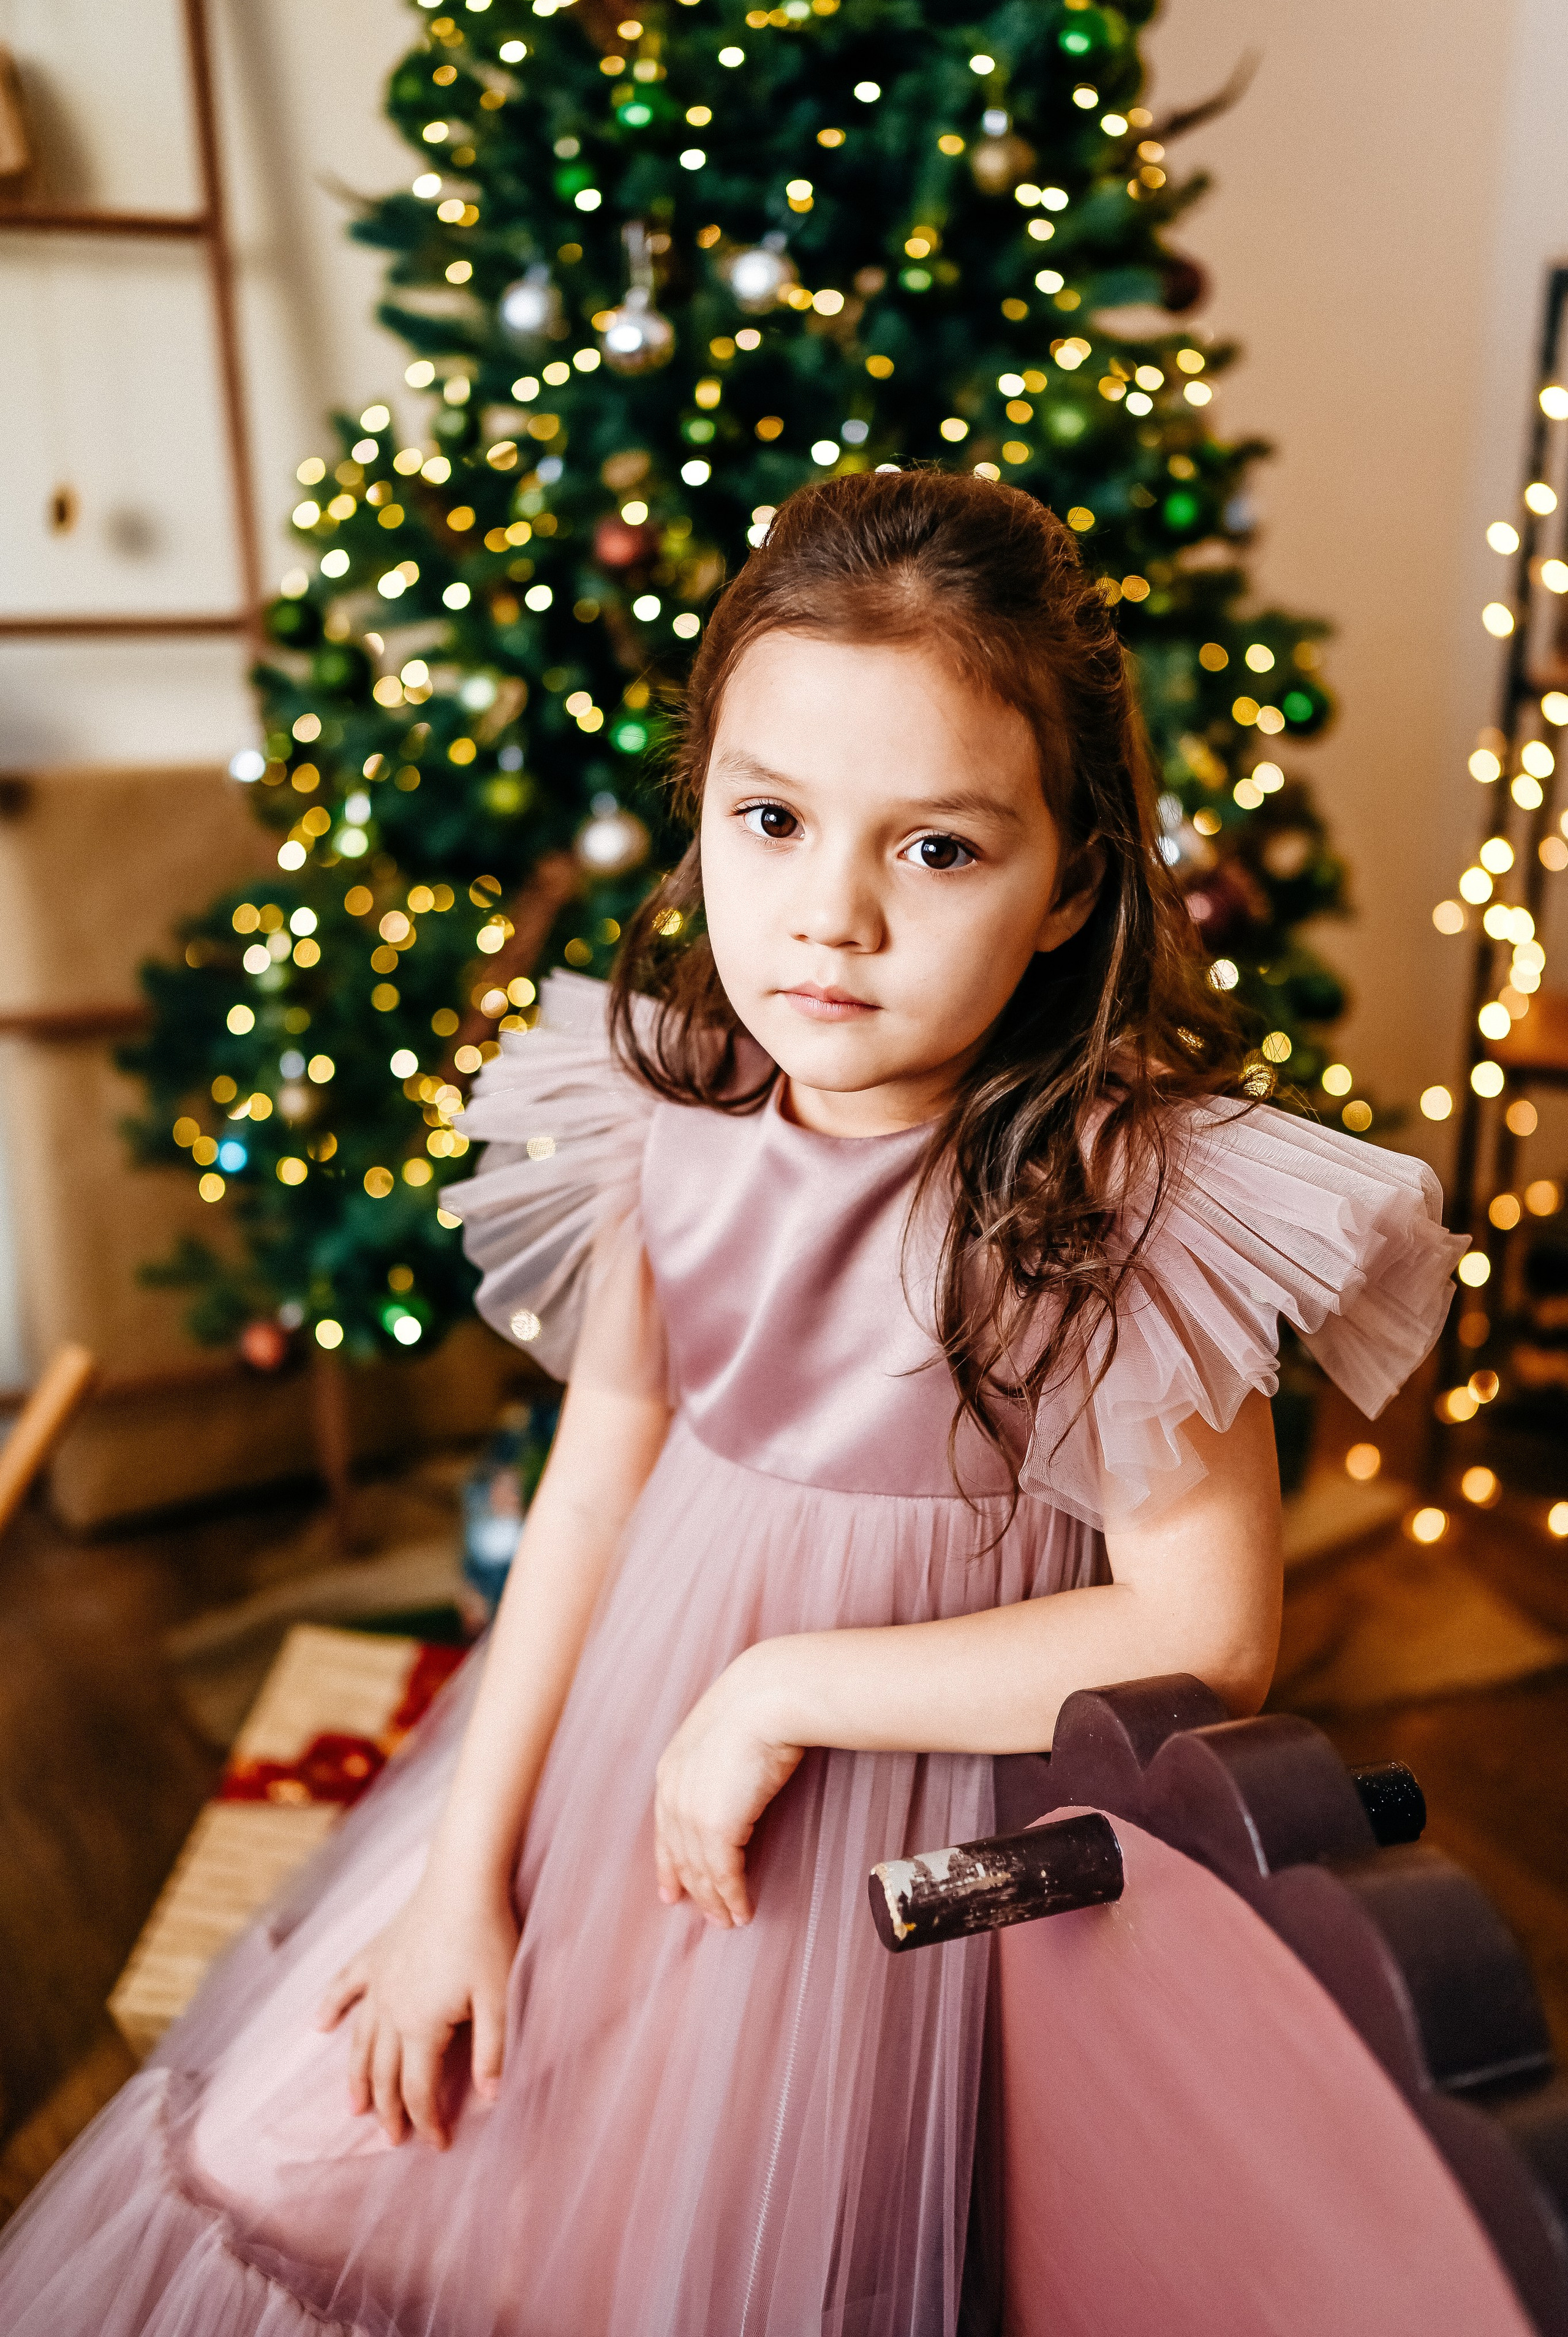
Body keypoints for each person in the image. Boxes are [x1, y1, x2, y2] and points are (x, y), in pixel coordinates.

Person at [0, 470, 1463, 2336]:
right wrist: (462, 1876)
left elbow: (1210, 1629)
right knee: (372, 2151)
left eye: (937, 849)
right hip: (630, 1753)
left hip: (918, 1833)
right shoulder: (672, 1117)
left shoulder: (1106, 1202)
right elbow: (594, 1500)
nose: (832, 918)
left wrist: (782, 1690)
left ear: (1071, 881)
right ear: (698, 820)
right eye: (771, 819)